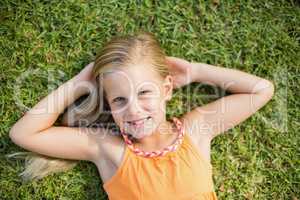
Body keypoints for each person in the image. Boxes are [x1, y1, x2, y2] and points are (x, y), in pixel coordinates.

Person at [8, 31, 274, 199]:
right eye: (120, 99)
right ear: (108, 103)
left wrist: (196, 71)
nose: (134, 110)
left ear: (167, 88)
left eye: (144, 93)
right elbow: (23, 133)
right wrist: (79, 82)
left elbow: (261, 90)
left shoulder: (196, 130)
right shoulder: (107, 148)